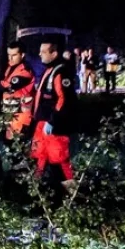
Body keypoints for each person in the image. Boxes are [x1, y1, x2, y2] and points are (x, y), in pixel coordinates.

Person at [32, 41, 77, 191]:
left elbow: (64, 99)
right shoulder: (50, 69)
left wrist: (52, 121)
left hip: (54, 124)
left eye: (43, 51)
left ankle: (71, 190)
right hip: (43, 121)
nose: (40, 54)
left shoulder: (61, 71)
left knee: (59, 158)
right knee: (41, 154)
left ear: (54, 53)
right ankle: (36, 187)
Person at [0, 41, 36, 142]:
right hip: (10, 113)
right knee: (9, 146)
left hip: (21, 117)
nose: (10, 58)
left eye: (14, 55)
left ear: (22, 55)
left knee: (19, 148)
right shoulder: (10, 68)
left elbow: (8, 87)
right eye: (9, 55)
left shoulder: (25, 71)